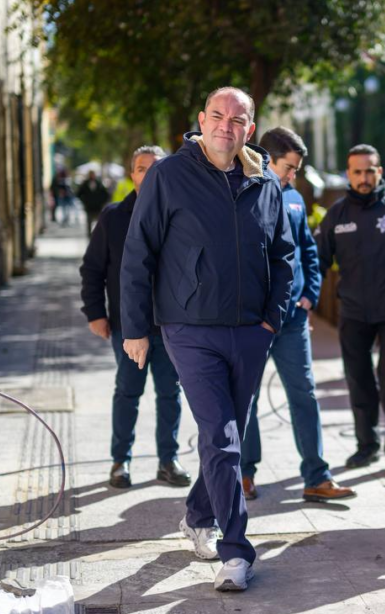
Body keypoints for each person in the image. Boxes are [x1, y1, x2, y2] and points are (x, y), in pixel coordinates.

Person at [121, 87, 295, 593]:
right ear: (201, 120)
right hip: (189, 327)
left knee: (229, 437)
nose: (226, 125)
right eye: (217, 116)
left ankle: (199, 514)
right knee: (219, 436)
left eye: (237, 119)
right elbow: (139, 252)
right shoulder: (169, 176)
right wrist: (136, 327)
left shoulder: (263, 181)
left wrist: (272, 318)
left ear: (250, 128)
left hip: (250, 330)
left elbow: (283, 255)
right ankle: (236, 550)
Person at [239, 127, 356, 503]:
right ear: (267, 160)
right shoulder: (242, 196)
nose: (294, 176)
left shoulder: (293, 198)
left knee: (304, 393)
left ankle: (317, 476)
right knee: (247, 398)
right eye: (289, 168)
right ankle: (243, 473)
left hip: (291, 321)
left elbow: (308, 248)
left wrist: (310, 294)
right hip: (251, 321)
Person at [80, 145, 190, 490]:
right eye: (142, 168)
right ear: (133, 175)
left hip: (171, 327)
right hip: (128, 327)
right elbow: (92, 269)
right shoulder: (113, 217)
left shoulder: (180, 214)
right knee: (127, 392)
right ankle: (120, 461)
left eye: (155, 168)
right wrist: (95, 313)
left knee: (170, 394)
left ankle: (168, 460)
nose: (148, 174)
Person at [317, 144, 385, 473]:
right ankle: (366, 445)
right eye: (357, 172)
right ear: (349, 174)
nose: (364, 177)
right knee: (358, 380)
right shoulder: (337, 214)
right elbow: (318, 261)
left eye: (369, 170)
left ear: (379, 171)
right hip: (354, 311)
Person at [76, 170, 111, 237]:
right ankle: (89, 235)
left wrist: (102, 202)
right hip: (89, 207)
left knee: (99, 222)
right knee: (89, 222)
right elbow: (78, 194)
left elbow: (106, 194)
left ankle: (98, 234)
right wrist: (84, 201)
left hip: (98, 207)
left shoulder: (99, 183)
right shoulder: (85, 184)